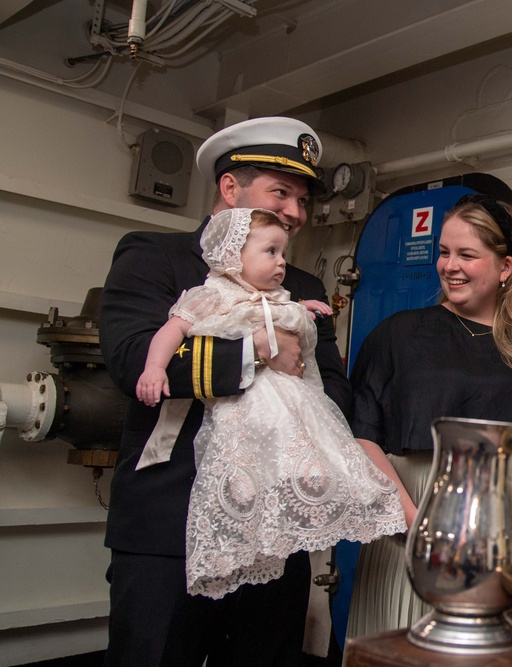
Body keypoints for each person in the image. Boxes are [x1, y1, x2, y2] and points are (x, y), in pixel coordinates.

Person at [99, 117, 352, 665]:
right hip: (170, 524)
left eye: (302, 200)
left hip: (272, 529)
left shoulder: (300, 285)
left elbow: (333, 386)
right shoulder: (154, 257)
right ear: (230, 188)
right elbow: (134, 361)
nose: (295, 212)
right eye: (281, 192)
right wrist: (258, 351)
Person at [345, 193, 512, 639]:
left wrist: (509, 529)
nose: (449, 266)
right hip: (413, 524)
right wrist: (419, 529)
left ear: (507, 267)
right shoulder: (396, 335)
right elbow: (362, 435)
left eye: (467, 254)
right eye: (444, 252)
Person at [135, 207, 405, 600]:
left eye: (283, 253)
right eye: (271, 252)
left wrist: (305, 309)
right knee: (241, 460)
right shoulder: (210, 295)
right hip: (245, 406)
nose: (281, 263)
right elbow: (171, 332)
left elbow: (303, 338)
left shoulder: (280, 296)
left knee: (310, 452)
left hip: (292, 403)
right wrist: (155, 368)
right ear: (233, 256)